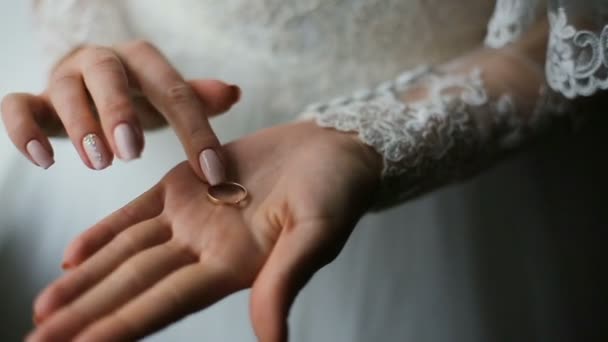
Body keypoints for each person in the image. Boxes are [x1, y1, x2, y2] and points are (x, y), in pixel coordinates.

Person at [1, 1, 606, 341]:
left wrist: (372, 137)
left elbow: (579, 39)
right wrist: (87, 48)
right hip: (152, 170)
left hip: (458, 210)